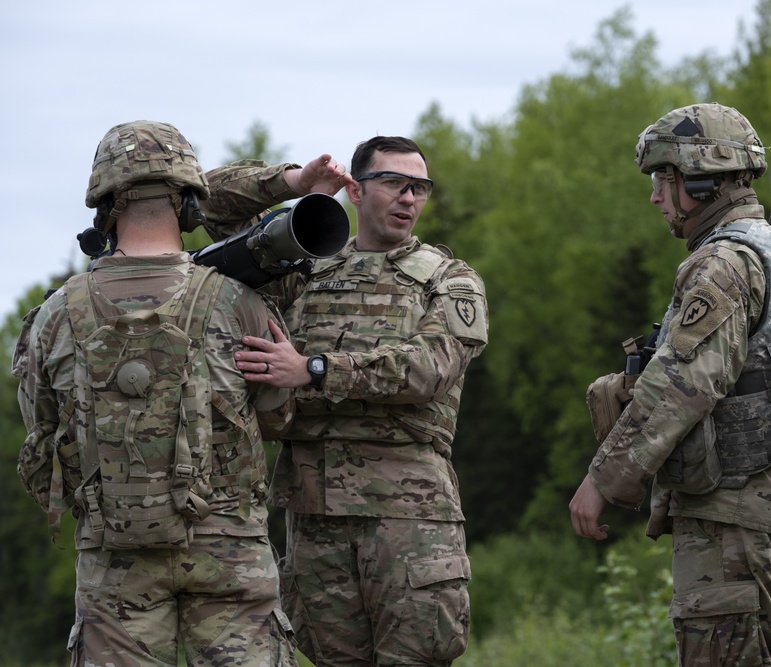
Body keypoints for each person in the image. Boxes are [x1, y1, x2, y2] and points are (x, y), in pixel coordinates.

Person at [13, 120, 298, 665]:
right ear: (190, 205)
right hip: (229, 555)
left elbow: (42, 428)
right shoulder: (240, 304)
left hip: (113, 559)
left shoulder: (55, 315)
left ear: (104, 207)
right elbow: (279, 418)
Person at [200, 135, 489, 666]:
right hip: (314, 512)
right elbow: (205, 202)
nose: (408, 198)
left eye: (419, 187)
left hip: (409, 513)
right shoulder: (304, 271)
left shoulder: (449, 279)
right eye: (393, 183)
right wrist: (293, 184)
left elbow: (429, 369)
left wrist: (312, 369)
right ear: (355, 190)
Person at [569, 103, 771, 666]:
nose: (655, 197)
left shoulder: (724, 263)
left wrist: (602, 479)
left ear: (700, 182)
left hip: (734, 513)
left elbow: (681, 385)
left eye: (664, 179)